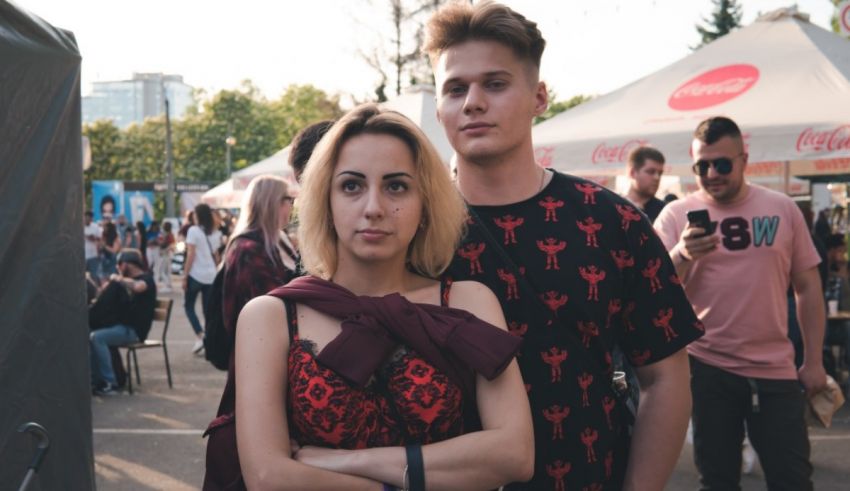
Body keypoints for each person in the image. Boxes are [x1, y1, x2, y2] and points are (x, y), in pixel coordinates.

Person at [424, 2, 703, 489]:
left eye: (494, 83)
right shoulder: (409, 229)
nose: (472, 102)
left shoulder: (613, 221)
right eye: (454, 88)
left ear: (538, 97)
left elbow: (664, 379)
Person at [229, 104, 532, 490]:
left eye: (396, 186)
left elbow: (515, 454)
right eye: (351, 186)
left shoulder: (468, 301)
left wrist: (349, 462)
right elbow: (268, 477)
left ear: (425, 204)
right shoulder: (269, 315)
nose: (373, 208)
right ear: (326, 200)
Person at [654, 116, 827, 490]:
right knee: (717, 479)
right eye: (702, 166)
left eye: (723, 164)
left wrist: (813, 361)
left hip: (775, 368)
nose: (712, 173)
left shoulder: (782, 209)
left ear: (744, 160)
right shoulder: (675, 215)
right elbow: (651, 287)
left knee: (793, 479)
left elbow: (808, 287)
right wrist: (682, 253)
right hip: (708, 366)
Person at [203, 174, 300, 490]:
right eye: (288, 199)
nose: (292, 206)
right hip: (259, 364)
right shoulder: (248, 248)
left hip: (281, 364)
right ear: (272, 203)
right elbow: (274, 310)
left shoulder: (278, 241)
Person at [89, 249, 156, 396]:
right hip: (122, 327)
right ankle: (96, 380)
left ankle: (109, 383)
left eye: (120, 264)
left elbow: (139, 287)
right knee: (90, 332)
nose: (118, 268)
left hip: (133, 331)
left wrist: (119, 279)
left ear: (127, 264)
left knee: (96, 338)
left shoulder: (147, 279)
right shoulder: (126, 282)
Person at [183, 203, 222, 354]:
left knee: (188, 306)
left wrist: (185, 276)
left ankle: (200, 336)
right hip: (211, 276)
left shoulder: (193, 230)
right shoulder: (215, 232)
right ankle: (209, 342)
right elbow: (217, 256)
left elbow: (190, 255)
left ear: (198, 215)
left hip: (195, 275)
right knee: (207, 310)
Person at [624, 145, 667, 223]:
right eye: (650, 172)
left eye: (660, 173)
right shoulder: (616, 207)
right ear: (632, 173)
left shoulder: (665, 211)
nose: (657, 178)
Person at [84, 210, 103, 283]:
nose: (87, 220)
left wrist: (92, 238)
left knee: (94, 276)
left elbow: (100, 239)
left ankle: (94, 292)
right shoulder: (79, 227)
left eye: (89, 218)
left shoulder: (95, 227)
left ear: (92, 218)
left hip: (93, 255)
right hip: (82, 255)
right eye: (86, 218)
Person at [158, 221, 176, 292]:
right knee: (167, 270)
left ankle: (167, 285)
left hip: (166, 254)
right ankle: (169, 285)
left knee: (162, 270)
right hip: (168, 254)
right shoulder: (170, 235)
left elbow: (170, 245)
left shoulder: (168, 235)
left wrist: (164, 251)